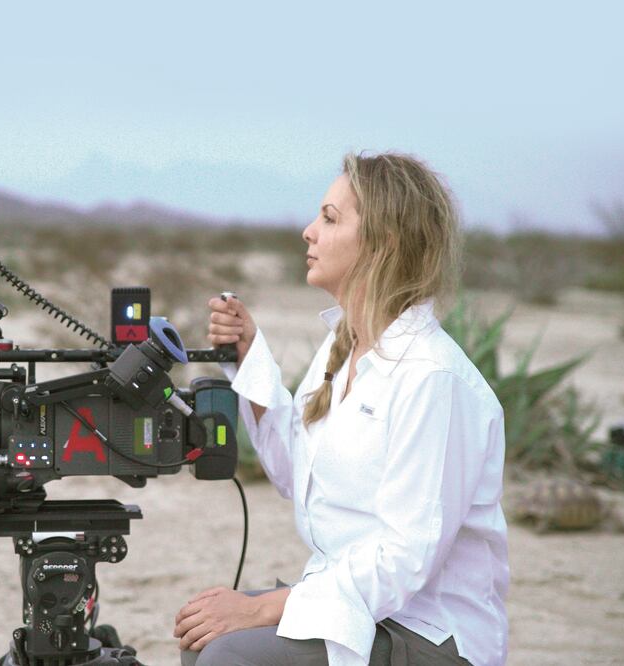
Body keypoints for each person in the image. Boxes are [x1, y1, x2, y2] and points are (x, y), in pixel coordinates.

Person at [174, 152, 509, 665]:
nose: (309, 232)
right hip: (360, 605)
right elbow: (297, 475)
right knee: (206, 638)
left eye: (330, 218)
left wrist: (263, 610)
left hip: (428, 632)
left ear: (384, 242)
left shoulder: (432, 378)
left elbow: (404, 556)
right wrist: (248, 353)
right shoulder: (347, 349)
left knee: (230, 656)